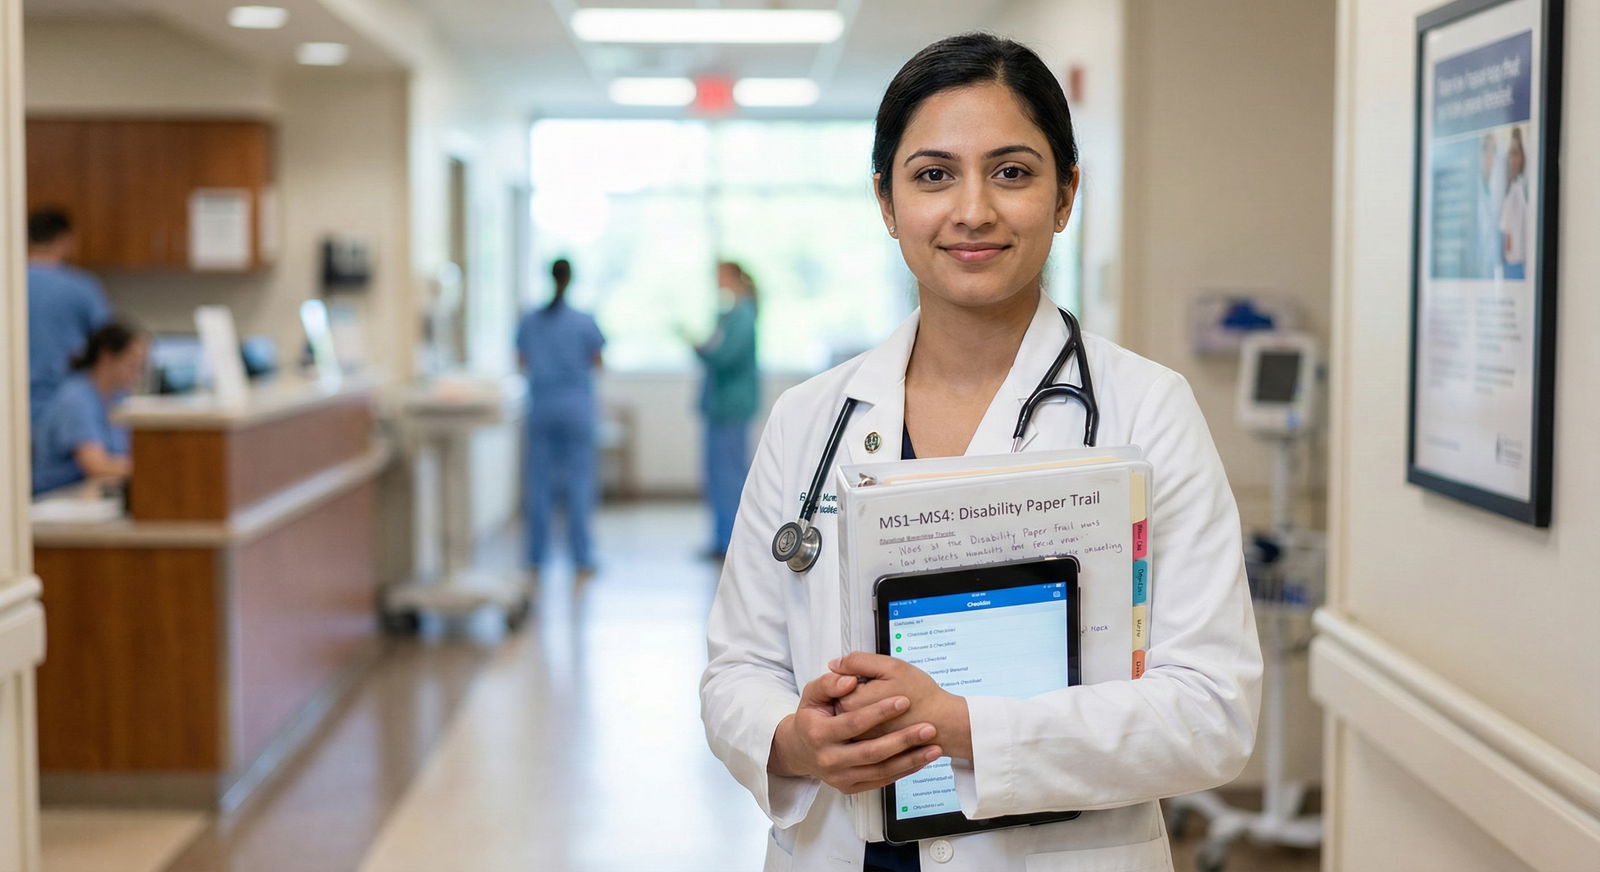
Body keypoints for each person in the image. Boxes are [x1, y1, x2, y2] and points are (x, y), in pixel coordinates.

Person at [700, 34, 1261, 872]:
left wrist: (961, 728)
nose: (973, 210)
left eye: (1012, 172)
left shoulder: (1146, 409)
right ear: (887, 203)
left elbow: (1212, 714)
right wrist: (795, 740)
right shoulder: (809, 420)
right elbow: (736, 668)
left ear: (1066, 194)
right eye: (932, 175)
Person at [515, 259, 606, 576]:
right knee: (579, 482)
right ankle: (581, 558)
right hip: (576, 407)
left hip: (541, 406)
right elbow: (597, 361)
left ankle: (536, 558)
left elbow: (522, 361)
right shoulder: (583, 321)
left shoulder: (530, 321)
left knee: (538, 484)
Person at [31, 321, 147, 496]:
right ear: (107, 357)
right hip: (59, 499)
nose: (138, 373)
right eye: (132, 363)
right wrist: (152, 468)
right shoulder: (76, 399)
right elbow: (97, 466)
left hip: (93, 494)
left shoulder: (116, 398)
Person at [693, 261, 761, 558]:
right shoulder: (731, 314)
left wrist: (702, 350)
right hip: (720, 406)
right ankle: (722, 539)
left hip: (731, 406)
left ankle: (732, 543)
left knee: (729, 475)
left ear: (733, 277)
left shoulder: (743, 316)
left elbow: (724, 357)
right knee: (717, 475)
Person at [26, 207, 110, 431]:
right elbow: (109, 342)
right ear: (65, 240)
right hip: (65, 404)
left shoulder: (10, 284)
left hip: (14, 405)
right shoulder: (80, 287)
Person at [1499, 126, 1529, 281]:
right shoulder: (1509, 188)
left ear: (1523, 156)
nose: (1512, 159)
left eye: (1516, 154)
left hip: (1521, 260)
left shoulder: (1523, 188)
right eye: (1510, 154)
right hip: (1510, 261)